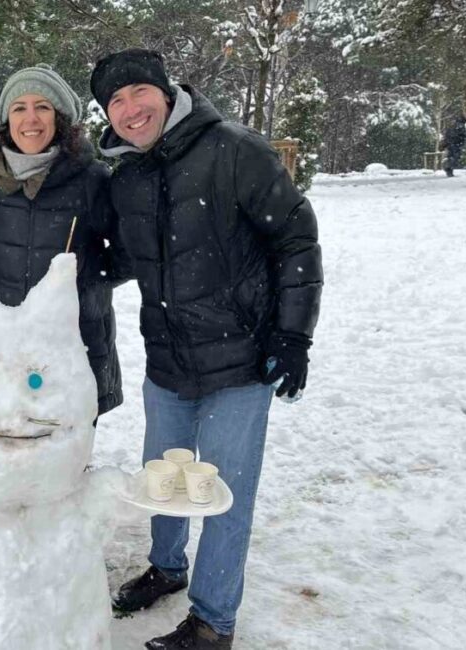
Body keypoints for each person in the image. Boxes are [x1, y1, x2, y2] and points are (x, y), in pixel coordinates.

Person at [90, 49, 322, 649]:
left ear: (167, 93)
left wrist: (293, 335)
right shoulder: (127, 176)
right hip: (167, 359)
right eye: (115, 101)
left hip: (240, 360)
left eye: (138, 92)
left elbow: (295, 239)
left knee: (222, 495)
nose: (129, 109)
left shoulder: (234, 149)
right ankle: (167, 567)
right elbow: (128, 258)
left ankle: (214, 620)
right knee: (162, 479)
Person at [0, 64, 127, 417]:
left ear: (60, 118)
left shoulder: (91, 180)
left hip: (74, 339)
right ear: (6, 121)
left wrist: (86, 279)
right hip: (9, 341)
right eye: (19, 108)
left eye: (42, 107)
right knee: (10, 446)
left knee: (67, 455)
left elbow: (128, 251)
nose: (31, 118)